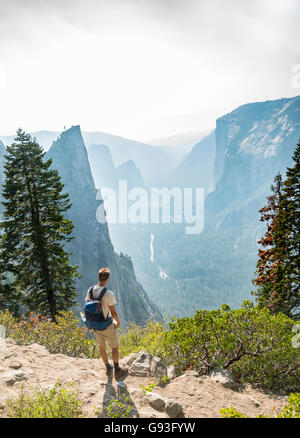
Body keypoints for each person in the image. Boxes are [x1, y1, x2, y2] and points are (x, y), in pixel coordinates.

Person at [85, 267, 128, 378]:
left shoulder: (90, 290)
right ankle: (117, 369)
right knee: (114, 347)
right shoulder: (108, 293)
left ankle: (108, 368)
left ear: (98, 277)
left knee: (101, 347)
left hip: (94, 325)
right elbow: (113, 312)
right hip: (106, 325)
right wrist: (117, 322)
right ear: (107, 278)